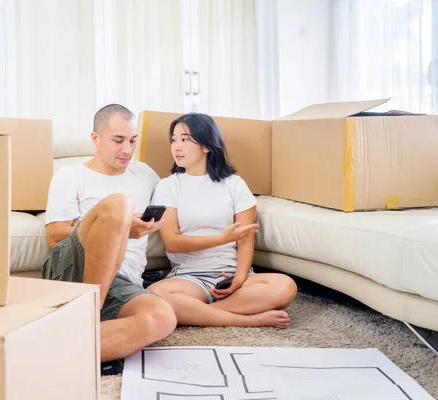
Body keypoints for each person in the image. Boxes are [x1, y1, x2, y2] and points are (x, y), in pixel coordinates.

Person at [43, 104, 177, 372]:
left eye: (132, 141)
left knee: (163, 317)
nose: (127, 149)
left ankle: (56, 347)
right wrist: (121, 226)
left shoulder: (145, 174)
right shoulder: (70, 175)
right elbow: (55, 235)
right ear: (96, 138)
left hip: (122, 280)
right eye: (118, 140)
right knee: (119, 205)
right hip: (72, 272)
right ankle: (88, 315)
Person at [148, 113, 297, 328]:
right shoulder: (168, 186)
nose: (176, 147)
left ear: (206, 145)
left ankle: (198, 313)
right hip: (189, 278)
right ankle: (248, 320)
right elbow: (172, 242)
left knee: (285, 286)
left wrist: (239, 279)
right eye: (173, 140)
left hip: (230, 273)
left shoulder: (234, 184)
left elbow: (245, 240)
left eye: (185, 139)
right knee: (155, 294)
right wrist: (221, 238)